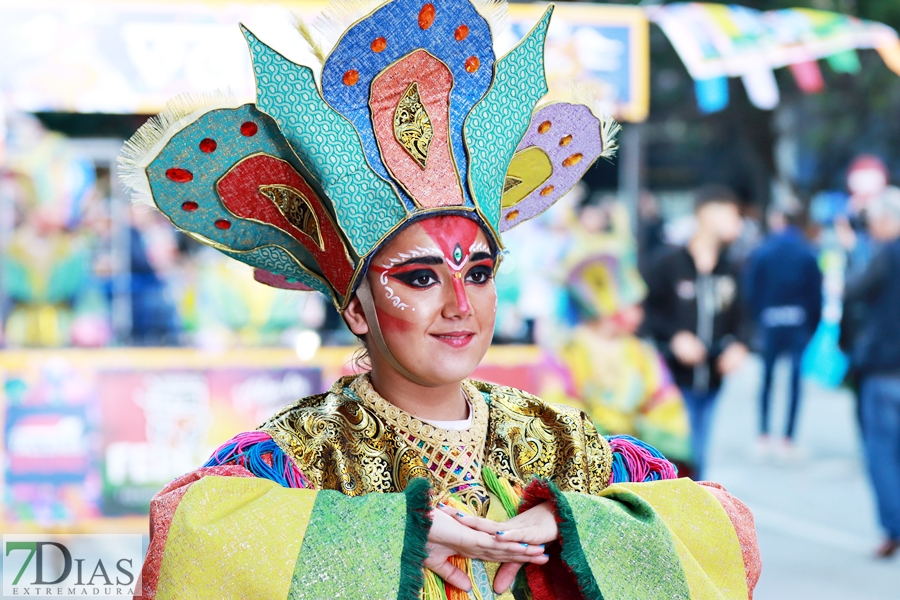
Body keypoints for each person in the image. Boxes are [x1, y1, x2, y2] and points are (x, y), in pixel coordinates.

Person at [120, 1, 760, 597]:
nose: (462, 305)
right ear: (356, 307)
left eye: (479, 273)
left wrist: (577, 527)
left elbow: (727, 533)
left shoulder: (564, 446)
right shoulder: (300, 456)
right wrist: (385, 535)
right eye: (420, 278)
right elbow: (180, 544)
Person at [550, 203, 692, 472]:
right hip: (583, 468)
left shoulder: (641, 353)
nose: (639, 312)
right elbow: (557, 409)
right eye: (632, 305)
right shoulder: (568, 352)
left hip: (638, 465)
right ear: (608, 307)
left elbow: (664, 404)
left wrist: (645, 450)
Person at [643, 185, 749, 479]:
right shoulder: (667, 263)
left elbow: (742, 317)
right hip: (671, 380)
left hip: (712, 379)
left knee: (700, 453)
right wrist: (673, 337)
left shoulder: (730, 269)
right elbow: (644, 312)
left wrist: (739, 345)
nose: (738, 223)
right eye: (733, 214)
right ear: (708, 213)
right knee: (674, 454)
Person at [843, 187, 900, 558]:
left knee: (881, 452)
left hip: (884, 370)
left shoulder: (886, 255)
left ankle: (893, 527)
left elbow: (852, 292)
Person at [744, 207, 822, 457]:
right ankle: (788, 438)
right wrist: (812, 326)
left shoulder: (763, 251)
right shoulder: (807, 252)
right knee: (795, 382)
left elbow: (750, 289)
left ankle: (764, 434)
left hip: (769, 321)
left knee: (766, 379)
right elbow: (816, 295)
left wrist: (757, 318)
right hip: (798, 322)